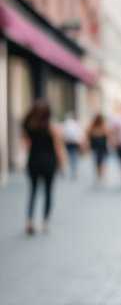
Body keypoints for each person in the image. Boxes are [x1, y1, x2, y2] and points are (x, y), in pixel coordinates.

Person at [21, 100, 67, 235]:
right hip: (49, 163)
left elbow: (25, 145)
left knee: (33, 191)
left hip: (33, 162)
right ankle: (45, 222)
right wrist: (63, 164)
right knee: (48, 192)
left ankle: (29, 221)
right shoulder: (51, 127)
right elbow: (58, 147)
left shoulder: (28, 126)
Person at [86, 114, 109, 184]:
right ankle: (100, 174)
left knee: (98, 162)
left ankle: (100, 174)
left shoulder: (94, 127)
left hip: (98, 148)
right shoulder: (101, 127)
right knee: (100, 161)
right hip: (100, 148)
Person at [62, 112, 83, 179]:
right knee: (74, 155)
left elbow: (63, 134)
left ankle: (72, 167)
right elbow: (79, 133)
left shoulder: (66, 124)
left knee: (70, 155)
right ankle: (74, 169)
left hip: (68, 142)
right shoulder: (75, 124)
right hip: (74, 142)